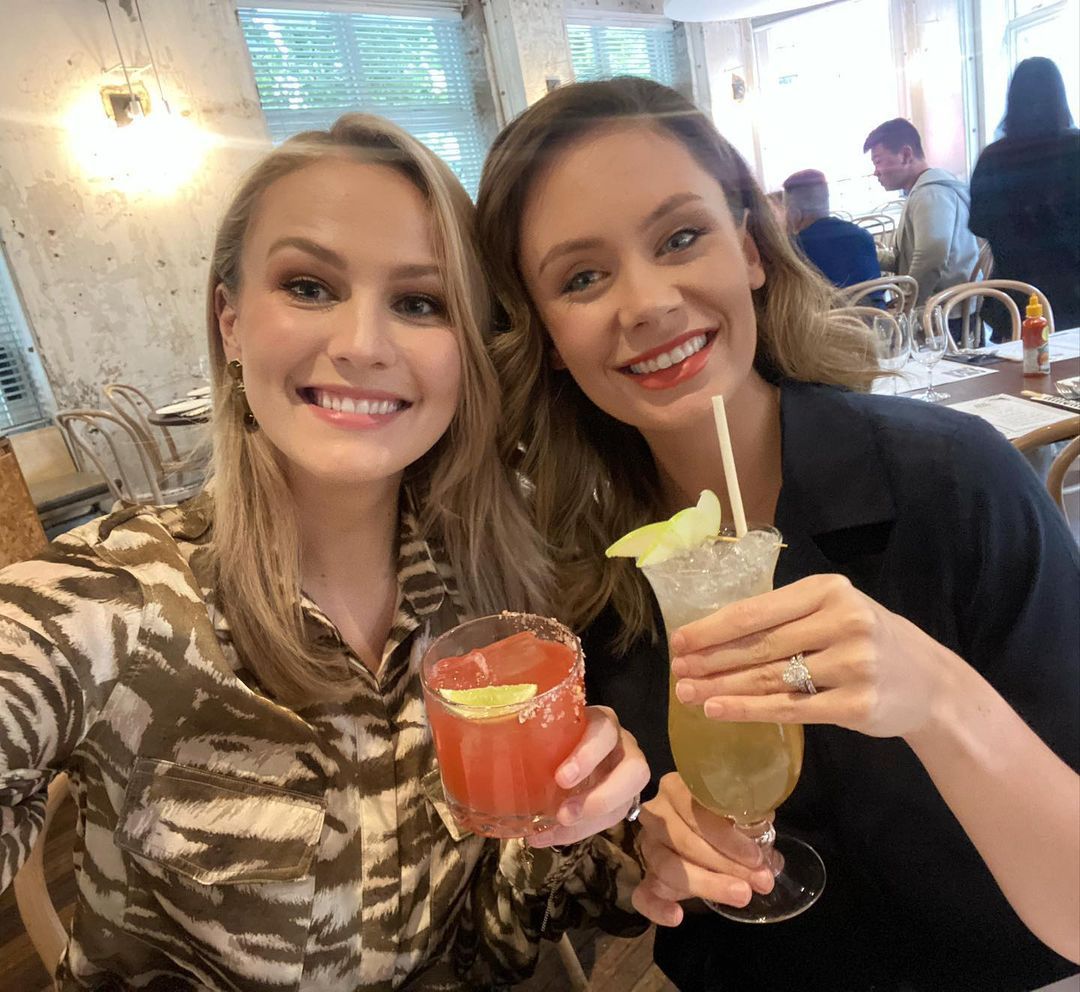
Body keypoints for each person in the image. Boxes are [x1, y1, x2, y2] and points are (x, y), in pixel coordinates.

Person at [0, 114, 650, 991]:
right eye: (309, 287)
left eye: (419, 303)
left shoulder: (493, 597)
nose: (362, 346)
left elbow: (503, 932)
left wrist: (595, 826)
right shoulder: (102, 606)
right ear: (231, 322)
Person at [476, 78, 1080, 991]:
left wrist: (939, 699)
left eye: (680, 237)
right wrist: (649, 848)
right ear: (549, 337)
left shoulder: (953, 482)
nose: (647, 302)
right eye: (582, 278)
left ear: (752, 250)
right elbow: (611, 868)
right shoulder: (574, 575)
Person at [969, 57, 1080, 338]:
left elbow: (980, 224)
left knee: (1022, 361)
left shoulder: (992, 158)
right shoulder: (1076, 148)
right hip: (1073, 292)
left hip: (1015, 297)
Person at [864, 118, 978, 318]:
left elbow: (931, 257)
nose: (876, 172)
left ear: (906, 155)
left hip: (944, 315)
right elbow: (909, 257)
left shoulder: (930, 193)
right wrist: (863, 251)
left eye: (878, 161)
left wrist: (905, 308)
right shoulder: (925, 190)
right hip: (941, 308)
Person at [782, 169, 881, 291]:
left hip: (823, 304)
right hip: (875, 304)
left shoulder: (794, 249)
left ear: (794, 212)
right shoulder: (863, 235)